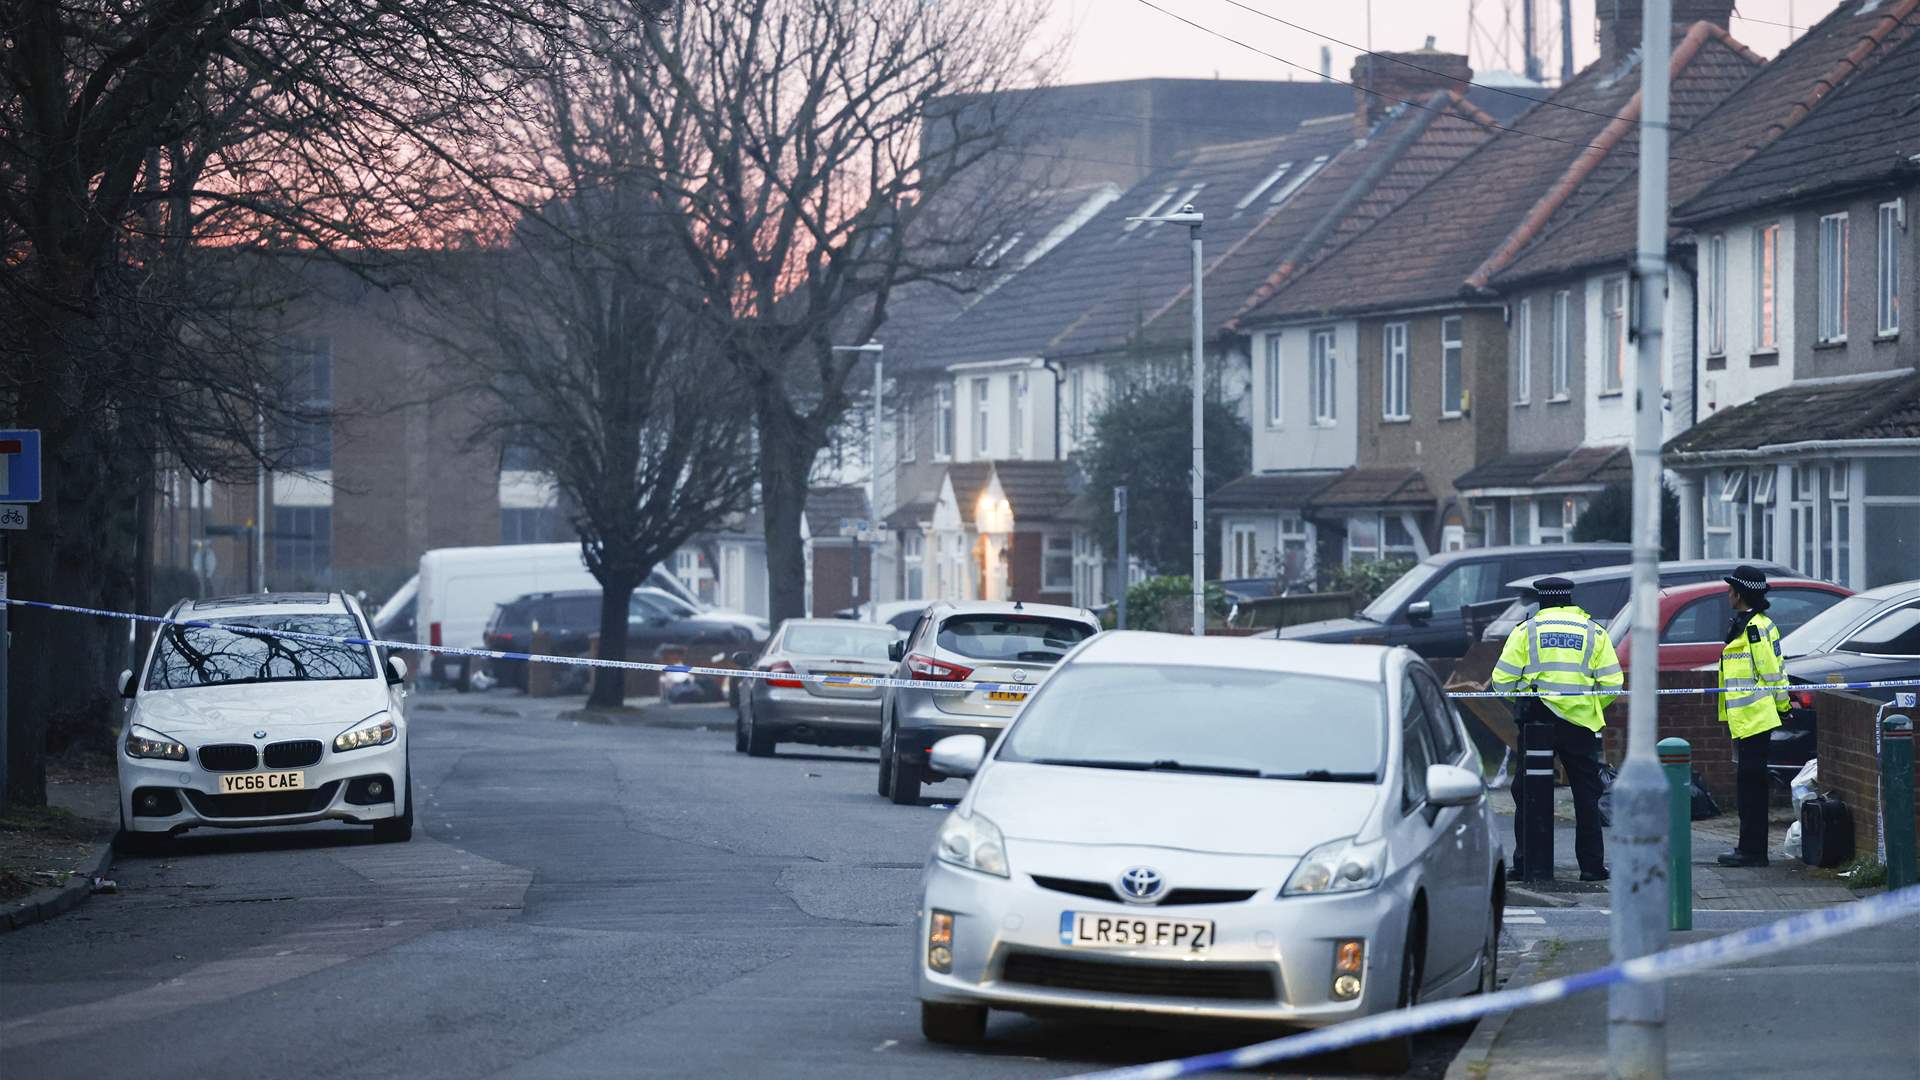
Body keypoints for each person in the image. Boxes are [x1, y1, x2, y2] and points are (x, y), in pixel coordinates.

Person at [1492, 576, 1624, 882]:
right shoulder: (1593, 631)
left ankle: (1525, 864)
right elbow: (1612, 683)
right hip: (1579, 723)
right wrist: (1589, 707)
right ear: (1569, 599)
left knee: (1526, 791)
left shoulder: (1527, 631)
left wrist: (1522, 700)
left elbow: (1502, 680)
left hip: (1537, 720)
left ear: (1542, 600)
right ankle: (1592, 867)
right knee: (1586, 795)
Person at [1716, 565, 1790, 867]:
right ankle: (1749, 847)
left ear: (1740, 593)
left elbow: (1772, 671)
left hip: (1756, 717)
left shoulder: (1756, 627)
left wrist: (1783, 706)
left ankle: (1753, 851)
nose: (1727, 593)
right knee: (1748, 786)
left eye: (1731, 589)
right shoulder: (1746, 624)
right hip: (1746, 719)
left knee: (1751, 788)